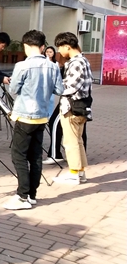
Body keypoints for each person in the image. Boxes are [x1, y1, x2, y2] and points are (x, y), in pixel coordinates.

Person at [3, 30, 64, 210]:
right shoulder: (53, 66)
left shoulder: (22, 65)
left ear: (26, 46)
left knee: (18, 155)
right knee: (35, 155)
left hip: (25, 115)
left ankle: (22, 196)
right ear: (43, 47)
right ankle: (32, 195)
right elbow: (59, 90)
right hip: (43, 115)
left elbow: (13, 89)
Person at [53, 32, 93, 185]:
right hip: (81, 106)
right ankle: (80, 172)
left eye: (60, 47)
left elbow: (70, 87)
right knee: (78, 141)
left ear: (67, 46)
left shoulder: (76, 62)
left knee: (71, 142)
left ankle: (73, 173)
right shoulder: (83, 60)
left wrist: (54, 87)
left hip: (72, 107)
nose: (59, 51)